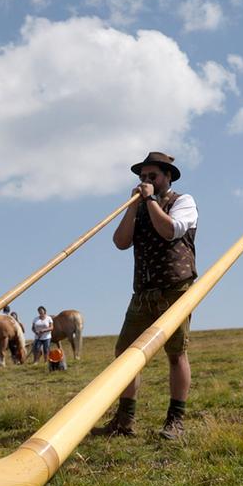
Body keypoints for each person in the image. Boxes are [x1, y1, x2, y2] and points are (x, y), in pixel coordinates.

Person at [95, 151, 198, 440]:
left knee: (176, 353)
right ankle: (124, 420)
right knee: (125, 353)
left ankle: (176, 420)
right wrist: (132, 207)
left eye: (152, 176)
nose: (146, 181)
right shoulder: (139, 207)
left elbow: (171, 231)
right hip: (143, 290)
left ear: (167, 177)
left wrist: (151, 201)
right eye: (143, 177)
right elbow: (120, 242)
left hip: (175, 289)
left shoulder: (184, 202)